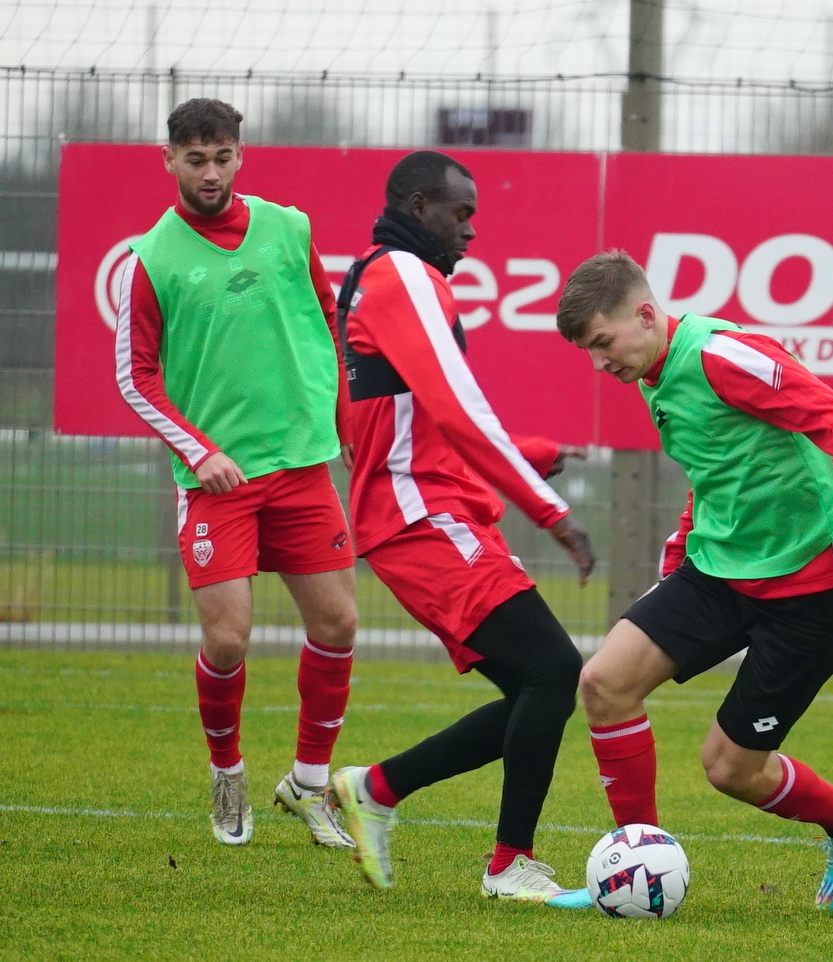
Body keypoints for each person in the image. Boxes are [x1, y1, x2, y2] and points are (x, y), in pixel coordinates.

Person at [553, 251, 833, 913]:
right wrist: (684, 540)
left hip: (813, 589)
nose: (600, 364)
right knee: (604, 683)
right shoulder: (654, 374)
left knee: (731, 769)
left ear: (648, 316)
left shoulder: (724, 355)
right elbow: (719, 461)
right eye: (588, 352)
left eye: (604, 343)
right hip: (719, 573)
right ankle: (636, 871)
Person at [325, 150, 596, 908]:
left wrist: (532, 457)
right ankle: (510, 866)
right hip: (421, 518)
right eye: (461, 212)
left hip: (425, 512)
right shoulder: (404, 278)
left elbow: (414, 417)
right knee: (552, 669)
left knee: (535, 687)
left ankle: (378, 788)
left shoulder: (387, 278)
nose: (472, 229)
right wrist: (552, 514)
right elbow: (453, 409)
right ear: (418, 207)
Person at [115, 98, 359, 849]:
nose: (211, 172)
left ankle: (310, 784)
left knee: (340, 623)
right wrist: (200, 451)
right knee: (230, 641)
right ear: (170, 162)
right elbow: (134, 378)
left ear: (239, 155)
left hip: (301, 467)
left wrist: (347, 431)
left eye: (223, 157)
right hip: (217, 483)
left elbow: (328, 329)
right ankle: (228, 773)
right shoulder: (150, 259)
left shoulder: (290, 228)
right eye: (196, 160)